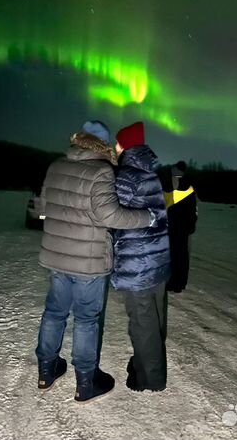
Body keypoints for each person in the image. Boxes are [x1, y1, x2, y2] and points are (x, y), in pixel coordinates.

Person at [36, 120, 156, 404]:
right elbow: (109, 216)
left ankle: (46, 370)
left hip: (56, 256)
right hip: (88, 263)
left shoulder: (55, 166)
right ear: (102, 146)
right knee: (86, 319)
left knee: (54, 313)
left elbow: (42, 207)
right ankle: (86, 382)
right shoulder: (101, 171)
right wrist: (145, 217)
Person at [111, 121, 171, 392]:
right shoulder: (151, 173)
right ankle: (147, 366)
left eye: (117, 143)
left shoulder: (126, 176)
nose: (114, 147)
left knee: (142, 323)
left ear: (124, 145)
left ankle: (150, 379)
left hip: (138, 264)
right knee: (155, 319)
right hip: (158, 259)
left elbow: (113, 217)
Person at [163, 161, 197, 293]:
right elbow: (194, 209)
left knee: (170, 254)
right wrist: (191, 224)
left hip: (169, 226)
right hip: (183, 227)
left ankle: (170, 281)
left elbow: (162, 205)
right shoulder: (189, 187)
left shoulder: (167, 185)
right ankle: (180, 283)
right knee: (182, 255)